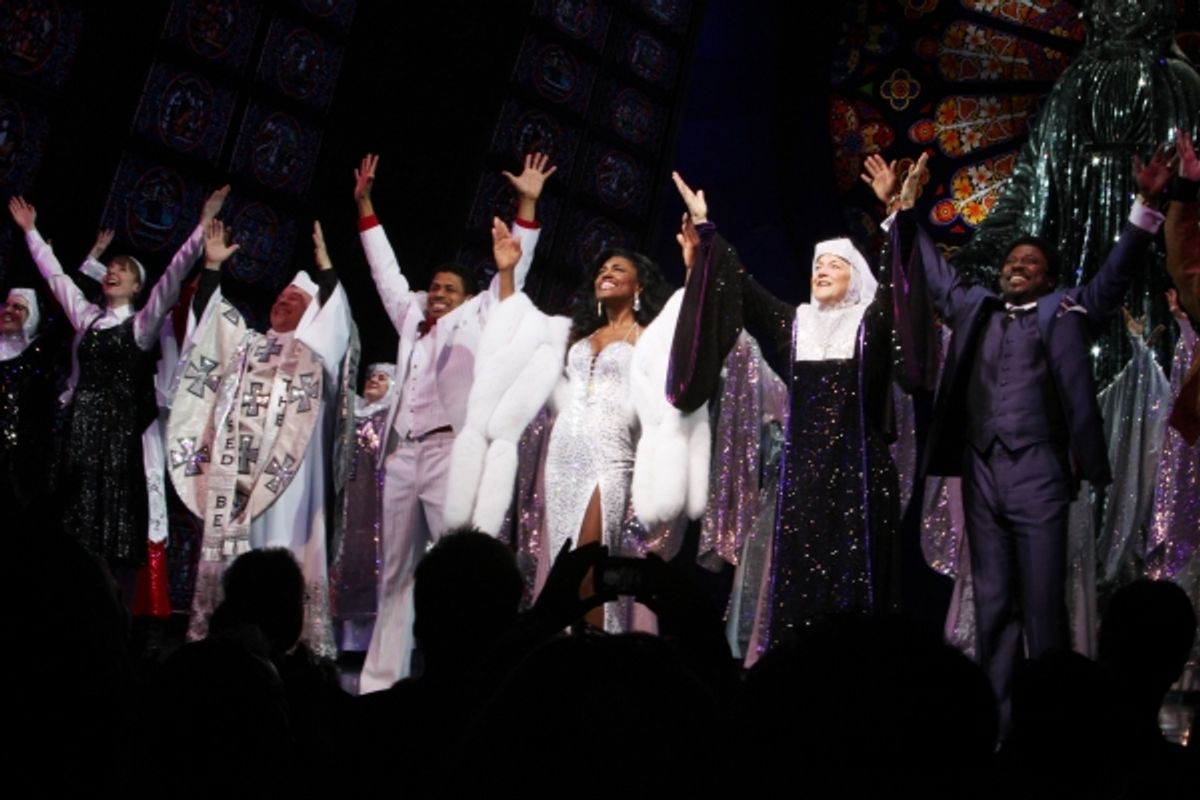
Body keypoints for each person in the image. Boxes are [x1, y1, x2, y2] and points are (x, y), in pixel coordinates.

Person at [884, 147, 1170, 722]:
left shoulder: (1067, 309)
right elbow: (933, 275)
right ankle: (998, 719)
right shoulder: (975, 307)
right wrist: (903, 212)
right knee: (992, 601)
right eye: (1012, 260)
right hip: (981, 469)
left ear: (1049, 278)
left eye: (1031, 262)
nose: (1017, 266)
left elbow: (1112, 278)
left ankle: (1051, 722)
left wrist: (1145, 206)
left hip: (1039, 470)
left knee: (1042, 603)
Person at [667, 170, 900, 657]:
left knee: (852, 588)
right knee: (796, 583)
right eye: (817, 265)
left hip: (857, 472)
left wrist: (894, 215)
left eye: (834, 264)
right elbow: (741, 285)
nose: (822, 271)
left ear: (855, 277)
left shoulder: (871, 321)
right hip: (803, 477)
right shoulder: (797, 324)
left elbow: (900, 287)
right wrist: (707, 228)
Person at [355, 152, 550, 689]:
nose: (438, 295)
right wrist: (365, 205)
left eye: (448, 290)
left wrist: (527, 208)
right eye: (434, 288)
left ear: (466, 300)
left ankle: (467, 674)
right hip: (404, 454)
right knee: (395, 573)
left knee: (461, 567)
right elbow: (384, 273)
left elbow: (512, 271)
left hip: (449, 454)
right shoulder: (411, 319)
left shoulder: (477, 317)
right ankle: (380, 682)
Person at [8, 188, 228, 599]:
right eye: (110, 267)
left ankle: (97, 603)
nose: (112, 271)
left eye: (123, 270)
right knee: (63, 520)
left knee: (103, 526)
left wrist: (201, 228)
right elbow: (57, 278)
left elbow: (174, 276)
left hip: (115, 439)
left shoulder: (142, 327)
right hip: (75, 432)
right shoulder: (88, 319)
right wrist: (30, 231)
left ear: (137, 286)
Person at [168, 218, 352, 655]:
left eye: (295, 299)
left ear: (315, 312)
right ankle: (222, 633)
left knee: (277, 549)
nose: (282, 301)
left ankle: (279, 640)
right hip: (234, 475)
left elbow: (338, 325)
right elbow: (209, 329)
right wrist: (212, 269)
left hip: (286, 479)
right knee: (233, 557)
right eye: (280, 296)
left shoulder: (316, 355)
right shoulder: (247, 344)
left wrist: (327, 270)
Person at [329, 363, 396, 653]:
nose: (374, 381)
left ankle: (378, 641)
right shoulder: (351, 415)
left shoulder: (390, 417)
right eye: (371, 377)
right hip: (349, 501)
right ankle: (348, 640)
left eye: (382, 378)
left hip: (378, 499)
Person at [0, 288, 58, 514]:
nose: (8, 311)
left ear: (31, 316)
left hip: (23, 456)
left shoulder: (37, 355)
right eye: (6, 305)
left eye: (18, 307)